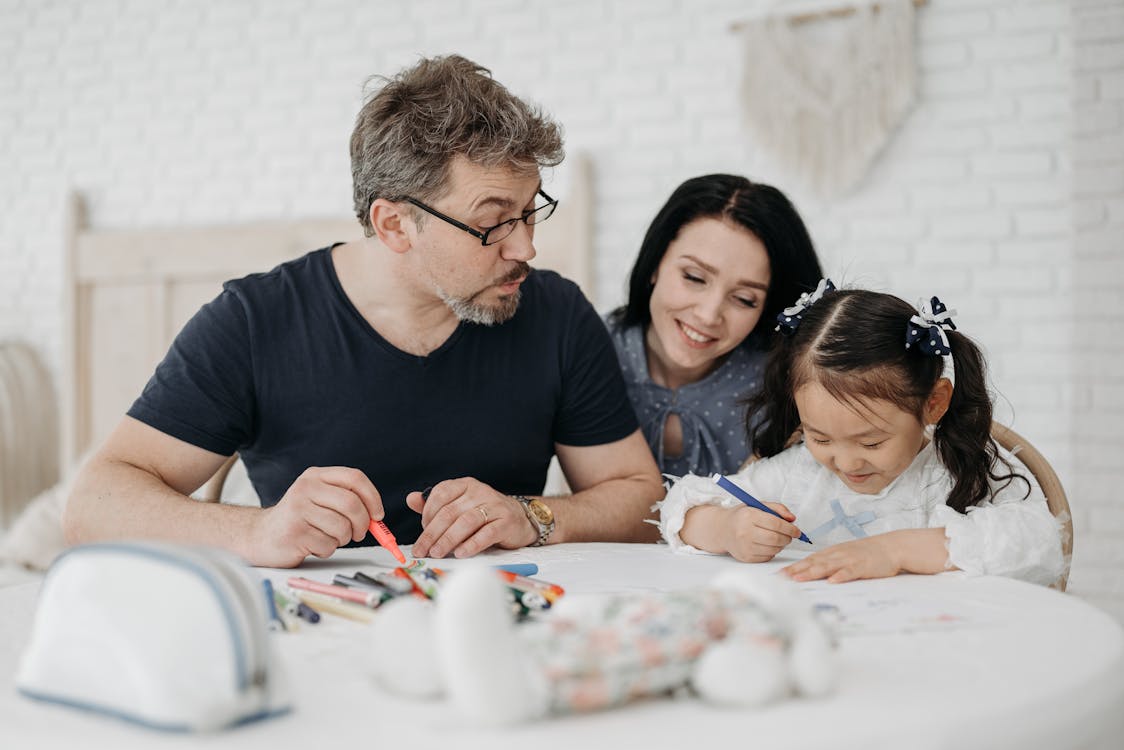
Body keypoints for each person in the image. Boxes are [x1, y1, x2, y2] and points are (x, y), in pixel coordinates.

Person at [64, 55, 665, 567]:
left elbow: (642, 499)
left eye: (531, 211)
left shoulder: (556, 312)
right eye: (493, 222)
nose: (526, 247)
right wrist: (257, 529)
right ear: (395, 224)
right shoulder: (253, 322)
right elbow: (93, 504)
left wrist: (531, 515)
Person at [658, 281, 1066, 586]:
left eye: (871, 442)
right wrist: (726, 529)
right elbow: (681, 507)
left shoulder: (962, 468)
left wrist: (894, 550)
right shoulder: (799, 473)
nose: (847, 462)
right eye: (820, 438)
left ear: (933, 404)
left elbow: (1038, 542)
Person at [605, 174, 823, 477]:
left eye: (745, 299)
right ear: (656, 262)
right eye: (694, 277)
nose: (709, 315)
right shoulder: (589, 350)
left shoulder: (784, 383)